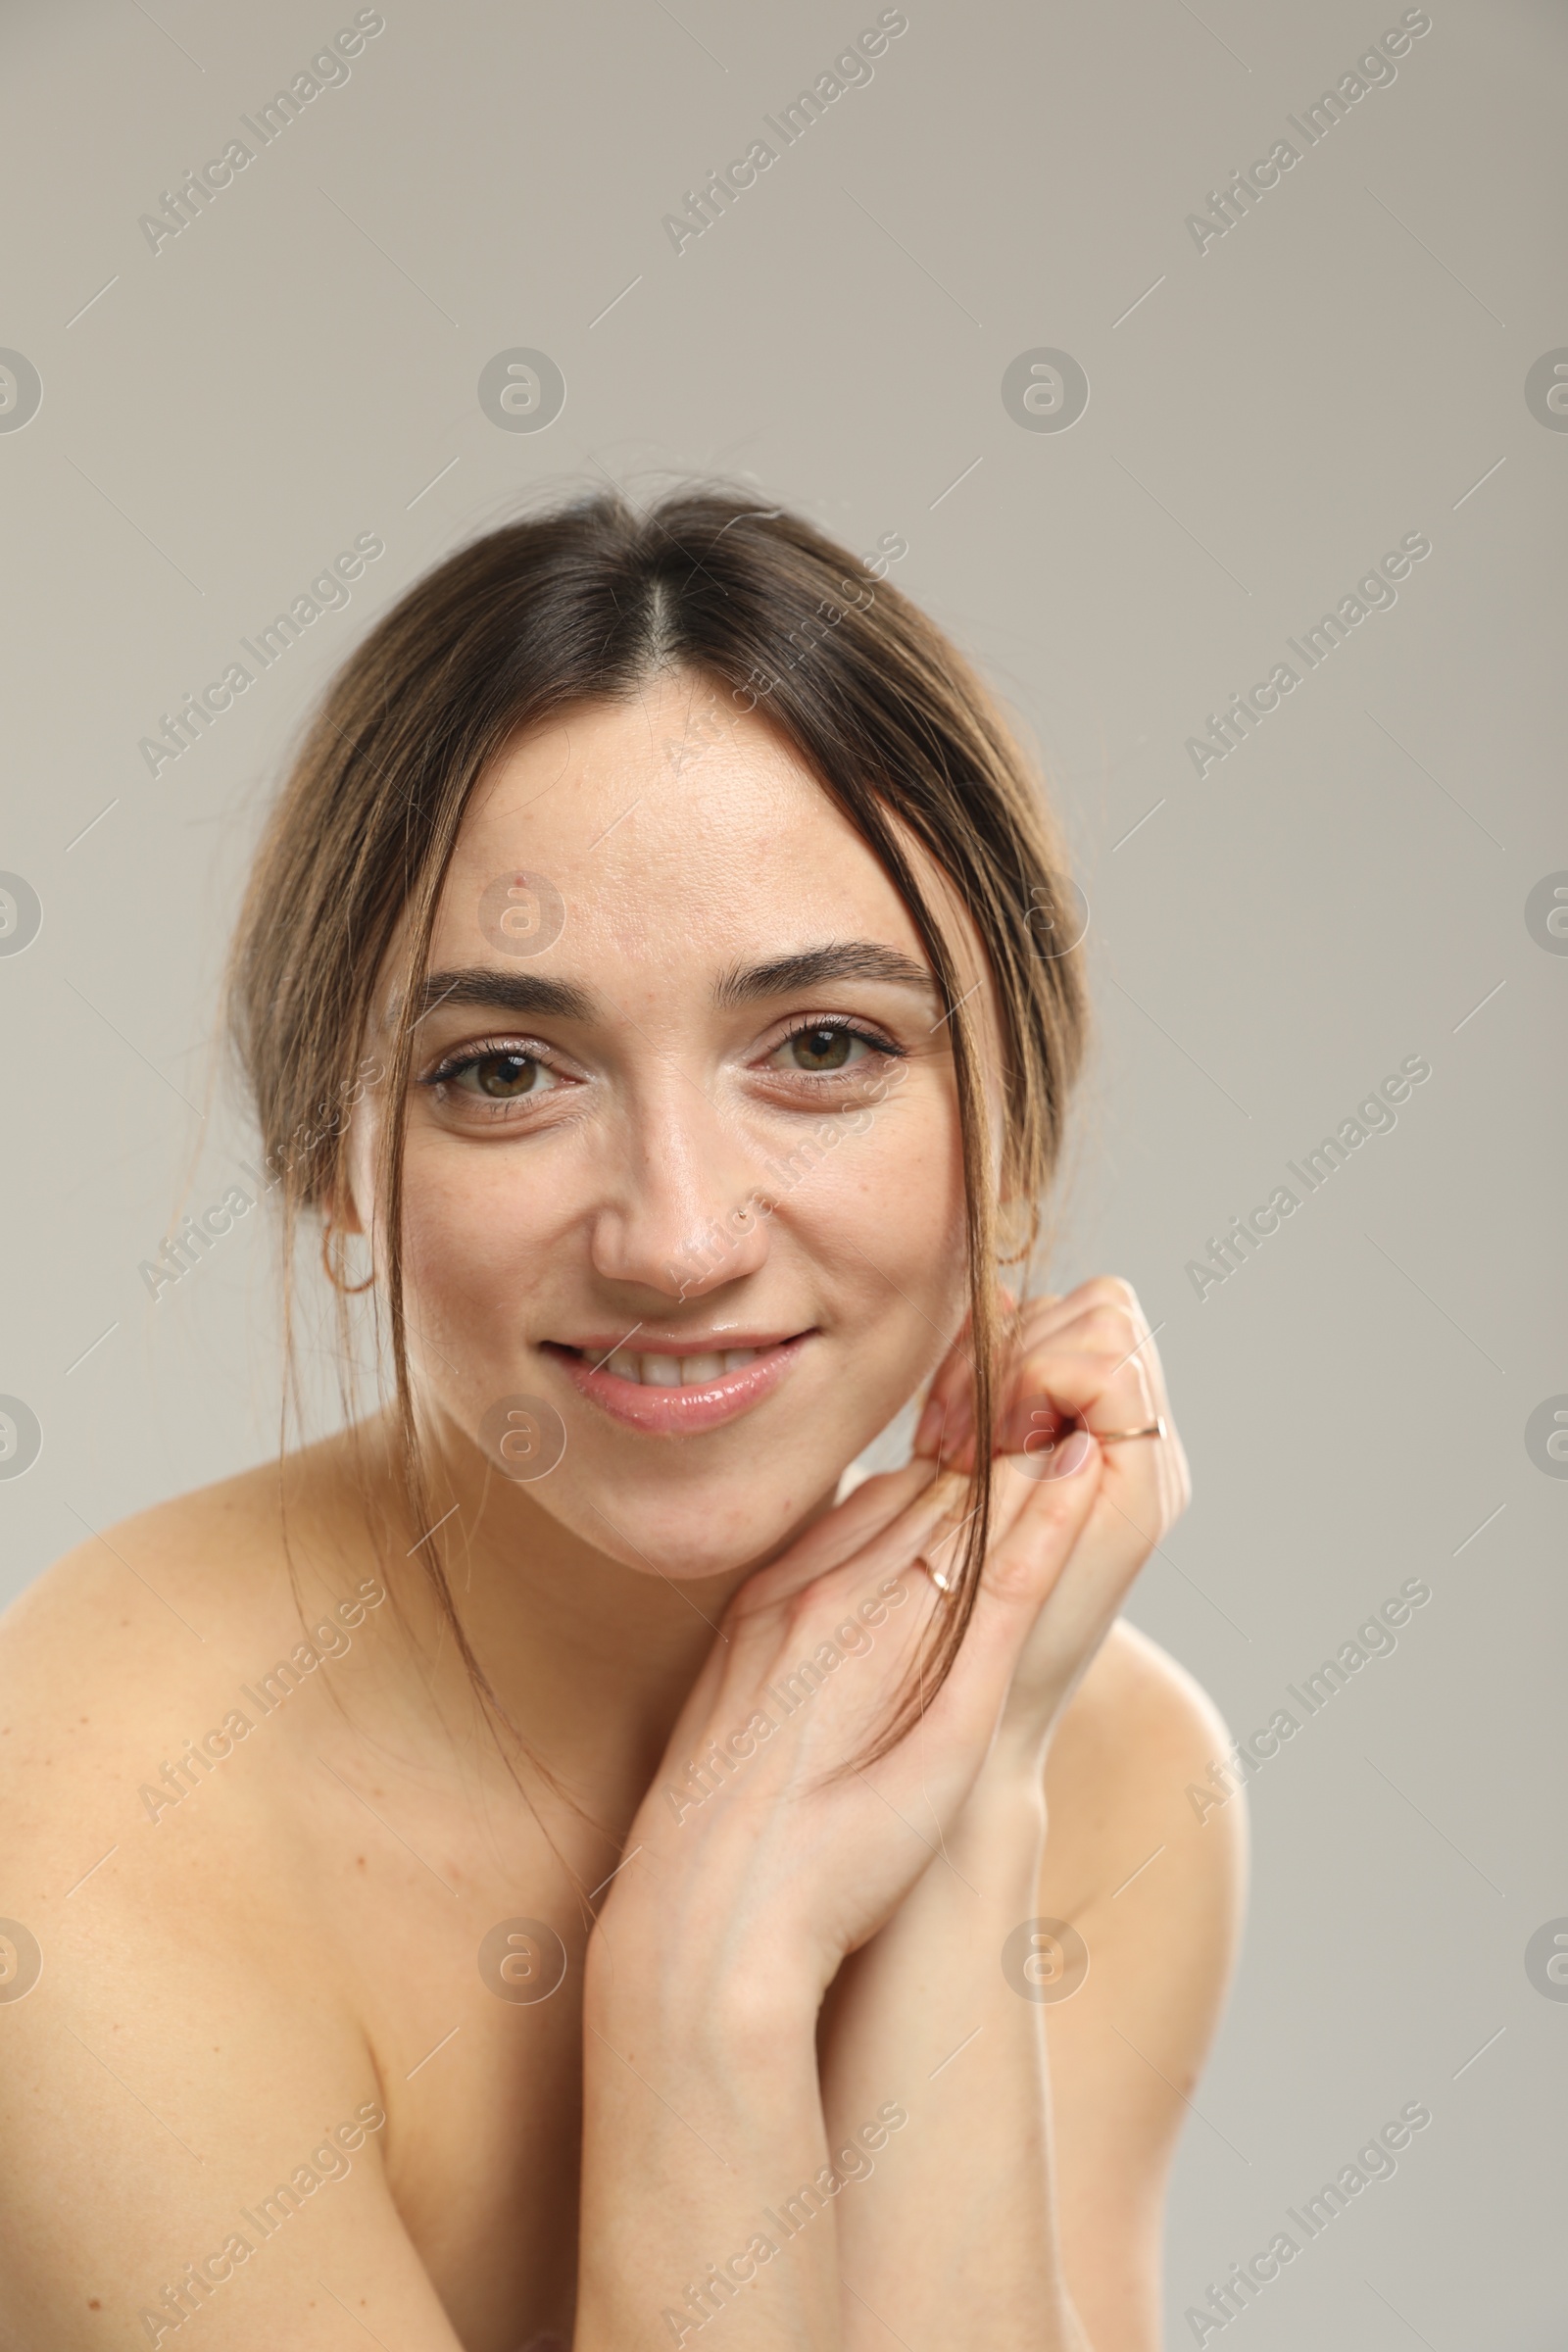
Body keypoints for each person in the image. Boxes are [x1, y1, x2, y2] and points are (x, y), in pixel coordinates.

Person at [0, 487, 1244, 2350]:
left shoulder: (1120, 1771)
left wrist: (971, 1794)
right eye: (505, 1071)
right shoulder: (99, 1827)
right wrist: (701, 1992)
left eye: (824, 1047)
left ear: (1015, 1135)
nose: (678, 1237)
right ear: (338, 1163)